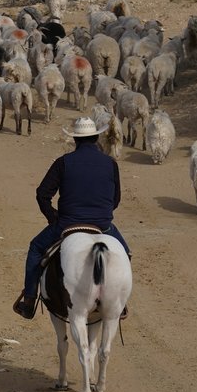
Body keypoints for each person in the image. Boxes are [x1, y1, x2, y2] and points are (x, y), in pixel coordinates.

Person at [13, 115, 131, 320]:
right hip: (103, 225)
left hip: (67, 223)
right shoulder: (110, 163)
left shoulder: (63, 162)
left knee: (36, 248)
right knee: (125, 254)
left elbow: (42, 194)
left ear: (75, 139)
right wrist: (101, 213)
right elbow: (116, 199)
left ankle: (30, 300)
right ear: (96, 138)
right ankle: (120, 302)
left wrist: (53, 217)